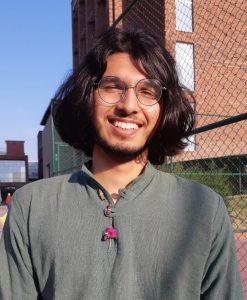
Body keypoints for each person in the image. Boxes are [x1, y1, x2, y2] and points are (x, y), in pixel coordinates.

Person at [0, 28, 243, 300]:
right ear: (87, 97)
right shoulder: (31, 206)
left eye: (148, 91)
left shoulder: (206, 210)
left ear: (164, 109)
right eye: (112, 87)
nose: (129, 105)